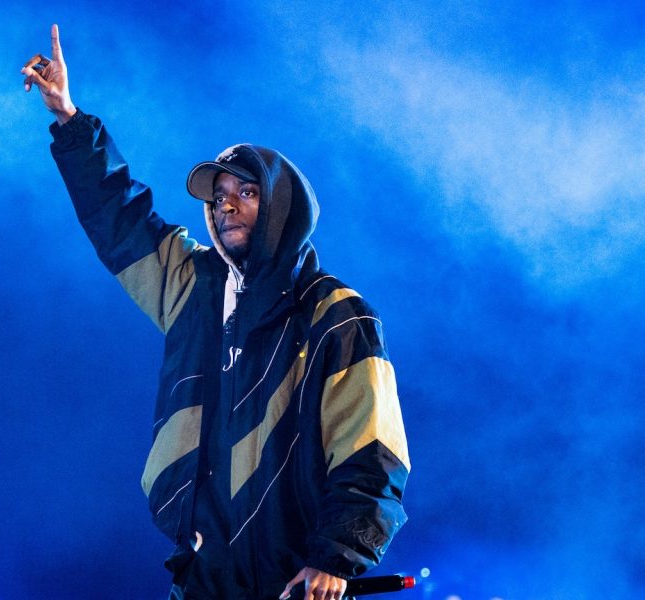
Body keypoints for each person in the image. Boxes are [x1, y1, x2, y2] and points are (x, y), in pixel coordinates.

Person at [22, 24, 410, 600]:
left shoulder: (338, 315)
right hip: (204, 575)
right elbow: (119, 220)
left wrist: (337, 554)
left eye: (246, 192)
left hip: (297, 582)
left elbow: (371, 450)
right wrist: (69, 119)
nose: (226, 202)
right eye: (218, 193)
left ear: (283, 208)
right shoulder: (192, 286)